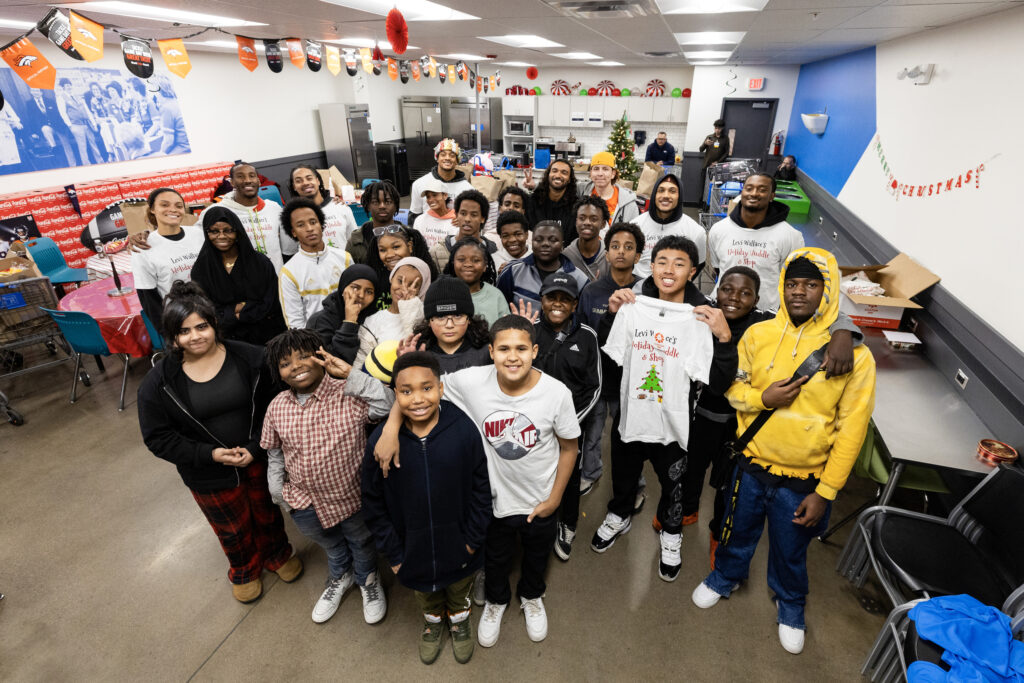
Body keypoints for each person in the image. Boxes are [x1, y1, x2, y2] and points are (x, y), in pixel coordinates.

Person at [692, 248, 876, 656]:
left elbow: (851, 431)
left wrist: (826, 492)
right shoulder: (759, 334)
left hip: (803, 480)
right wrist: (764, 397)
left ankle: (791, 605)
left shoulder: (853, 355)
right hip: (751, 464)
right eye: (792, 283)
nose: (799, 292)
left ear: (828, 291)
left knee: (791, 550)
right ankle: (724, 577)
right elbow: (734, 389)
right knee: (735, 532)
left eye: (812, 285)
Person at [375, 315, 581, 647]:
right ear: (490, 351)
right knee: (496, 558)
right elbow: (420, 387)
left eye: (521, 349)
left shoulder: (556, 394)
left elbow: (570, 448)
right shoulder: (471, 381)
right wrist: (390, 427)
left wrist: (555, 499)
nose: (512, 357)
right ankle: (497, 602)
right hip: (494, 501)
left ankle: (531, 596)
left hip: (540, 498)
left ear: (535, 351)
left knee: (536, 556)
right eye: (503, 349)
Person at [678, 266, 859, 567]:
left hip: (742, 424)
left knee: (726, 484)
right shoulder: (704, 315)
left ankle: (718, 533)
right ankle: (687, 508)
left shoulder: (765, 323)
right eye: (727, 289)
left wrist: (845, 330)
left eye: (745, 293)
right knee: (693, 467)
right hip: (702, 414)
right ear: (716, 291)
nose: (734, 298)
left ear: (758, 300)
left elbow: (821, 313)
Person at [137, 282, 301, 604]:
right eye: (184, 331)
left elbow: (277, 406)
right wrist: (210, 454)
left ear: (214, 325)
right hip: (207, 472)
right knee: (231, 527)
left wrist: (256, 447)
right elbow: (158, 438)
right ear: (172, 337)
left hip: (258, 458)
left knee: (267, 512)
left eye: (202, 326)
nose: (195, 336)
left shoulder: (253, 358)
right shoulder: (158, 384)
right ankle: (244, 569)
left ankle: (277, 554)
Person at [591, 235, 735, 583]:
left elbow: (717, 381)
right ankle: (619, 513)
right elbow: (610, 359)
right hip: (631, 414)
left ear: (693, 271)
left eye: (679, 263)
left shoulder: (700, 317)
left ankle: (672, 533)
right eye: (662, 262)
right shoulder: (633, 305)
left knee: (674, 484)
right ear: (651, 267)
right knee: (623, 474)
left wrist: (724, 339)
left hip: (674, 422)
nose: (669, 270)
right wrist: (613, 315)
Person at [362, 352, 492, 665]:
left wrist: (472, 540)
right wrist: (394, 554)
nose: (417, 399)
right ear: (396, 394)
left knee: (459, 590)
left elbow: (481, 489)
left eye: (426, 388)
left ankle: (460, 619)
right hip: (411, 552)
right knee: (427, 596)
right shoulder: (382, 442)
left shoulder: (462, 429)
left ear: (441, 388)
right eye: (406, 391)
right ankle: (433, 622)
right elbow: (372, 501)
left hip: (461, 547)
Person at [262, 330, 392, 625]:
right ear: (279, 373)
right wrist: (277, 491)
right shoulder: (277, 407)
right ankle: (341, 574)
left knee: (361, 541)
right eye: (285, 363)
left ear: (322, 356)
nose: (295, 366)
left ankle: (368, 579)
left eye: (303, 356)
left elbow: (388, 403)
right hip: (303, 501)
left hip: (351, 497)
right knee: (331, 544)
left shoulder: (349, 392)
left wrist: (351, 374)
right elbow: (274, 451)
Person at [523, 273, 601, 562]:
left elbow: (595, 388)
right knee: (533, 473)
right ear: (541, 300)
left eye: (565, 299)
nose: (557, 304)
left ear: (575, 303)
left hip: (571, 428)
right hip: (532, 426)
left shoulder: (587, 336)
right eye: (551, 297)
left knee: (569, 478)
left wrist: (570, 426)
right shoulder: (529, 331)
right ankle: (533, 520)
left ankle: (568, 524)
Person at [575, 222, 644, 494]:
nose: (621, 252)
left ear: (638, 256)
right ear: (606, 252)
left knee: (628, 437)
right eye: (615, 246)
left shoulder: (646, 292)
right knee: (592, 433)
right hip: (596, 377)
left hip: (629, 379)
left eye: (629, 248)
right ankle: (590, 472)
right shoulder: (592, 291)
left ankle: (635, 485)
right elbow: (581, 332)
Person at [190, 206, 285, 346]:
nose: (221, 236)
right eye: (214, 231)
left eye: (228, 230)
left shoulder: (260, 263)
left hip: (267, 336)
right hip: (227, 341)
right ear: (206, 233)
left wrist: (238, 313)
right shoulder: (201, 270)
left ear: (237, 231)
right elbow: (206, 310)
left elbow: (271, 303)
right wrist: (241, 309)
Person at [707, 173, 804, 311]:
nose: (754, 193)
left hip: (765, 314)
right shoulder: (719, 229)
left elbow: (791, 279)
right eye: (749, 188)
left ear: (772, 196)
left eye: (762, 190)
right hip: (724, 309)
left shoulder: (790, 236)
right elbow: (718, 269)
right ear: (742, 192)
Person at [131, 187, 205, 328]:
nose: (173, 209)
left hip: (210, 313)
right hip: (179, 320)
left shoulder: (198, 234)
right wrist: (168, 333)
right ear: (152, 209)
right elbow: (148, 298)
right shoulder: (142, 247)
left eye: (179, 206)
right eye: (164, 205)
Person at [198, 162, 291, 271]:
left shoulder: (273, 208)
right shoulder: (216, 211)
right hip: (239, 282)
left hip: (275, 278)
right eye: (240, 176)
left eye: (252, 176)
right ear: (232, 182)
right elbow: (200, 246)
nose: (247, 180)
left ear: (259, 181)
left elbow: (288, 249)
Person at [278, 198, 353, 329]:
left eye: (313, 222)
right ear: (293, 232)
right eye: (300, 225)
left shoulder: (344, 258)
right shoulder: (289, 272)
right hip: (315, 340)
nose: (309, 229)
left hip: (350, 331)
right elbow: (295, 322)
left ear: (321, 224)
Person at [496, 221, 588, 310]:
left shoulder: (580, 278)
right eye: (539, 240)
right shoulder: (512, 271)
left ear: (562, 245)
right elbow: (500, 310)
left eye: (553, 240)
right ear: (531, 243)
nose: (545, 244)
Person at [359, 257, 431, 369]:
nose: (404, 290)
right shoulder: (372, 321)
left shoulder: (427, 318)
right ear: (391, 278)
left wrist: (408, 308)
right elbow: (363, 362)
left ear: (422, 290)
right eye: (400, 281)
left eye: (413, 285)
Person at [634, 174, 707, 278]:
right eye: (661, 190)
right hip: (638, 289)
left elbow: (699, 264)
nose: (666, 196)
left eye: (672, 191)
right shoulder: (636, 225)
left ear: (680, 196)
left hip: (675, 290)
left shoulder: (695, 231)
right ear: (654, 194)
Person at [307, 265, 379, 364]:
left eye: (369, 292)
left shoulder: (375, 317)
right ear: (343, 288)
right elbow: (329, 364)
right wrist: (349, 322)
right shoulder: (320, 321)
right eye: (355, 288)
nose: (361, 295)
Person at [365, 224, 438, 312]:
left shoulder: (425, 275)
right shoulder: (374, 279)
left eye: (396, 247)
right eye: (383, 250)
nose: (390, 255)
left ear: (410, 246)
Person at [287, 164, 358, 251]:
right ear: (294, 186)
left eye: (309, 178)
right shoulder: (292, 216)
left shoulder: (340, 207)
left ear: (318, 181)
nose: (305, 183)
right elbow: (290, 252)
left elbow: (355, 242)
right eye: (299, 181)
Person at [429, 190, 498, 273]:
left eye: (474, 215)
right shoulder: (437, 252)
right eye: (463, 213)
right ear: (456, 215)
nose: (467, 219)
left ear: (482, 218)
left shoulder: (493, 251)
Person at [408, 139, 474, 226]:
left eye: (452, 155)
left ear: (457, 160)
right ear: (437, 158)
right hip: (427, 235)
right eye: (443, 155)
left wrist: (464, 220)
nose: (447, 158)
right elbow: (414, 216)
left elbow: (474, 219)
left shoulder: (468, 190)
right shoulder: (419, 184)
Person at [443, 238, 507, 327]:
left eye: (476, 260)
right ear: (453, 263)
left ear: (485, 266)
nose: (468, 264)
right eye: (461, 259)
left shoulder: (496, 295)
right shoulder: (442, 293)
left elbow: (504, 331)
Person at [523, 159, 579, 243]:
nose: (558, 175)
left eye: (564, 173)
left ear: (569, 179)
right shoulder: (532, 202)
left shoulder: (576, 206)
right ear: (548, 174)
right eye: (554, 171)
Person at [348, 180, 401, 264]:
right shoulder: (355, 241)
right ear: (368, 206)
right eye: (375, 202)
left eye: (388, 202)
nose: (382, 206)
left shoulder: (410, 236)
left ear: (396, 206)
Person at [581, 152, 639, 227]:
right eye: (596, 169)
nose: (600, 173)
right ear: (591, 173)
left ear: (613, 174)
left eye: (605, 169)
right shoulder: (582, 192)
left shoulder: (628, 204)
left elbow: (634, 232)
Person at [55, 78, 102, 165]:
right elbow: (63, 113)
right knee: (82, 147)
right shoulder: (61, 98)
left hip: (86, 123)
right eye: (66, 86)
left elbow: (86, 110)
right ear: (63, 87)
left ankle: (100, 161)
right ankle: (86, 164)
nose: (69, 87)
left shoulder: (77, 96)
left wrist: (93, 122)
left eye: (70, 85)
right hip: (76, 125)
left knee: (93, 144)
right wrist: (70, 125)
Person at [562, 196, 610, 282]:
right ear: (576, 221)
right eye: (582, 218)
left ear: (603, 224)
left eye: (593, 219)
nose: (587, 222)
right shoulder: (565, 256)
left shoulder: (610, 256)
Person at [413, 177, 456, 250]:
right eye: (428, 196)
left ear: (445, 195)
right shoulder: (420, 220)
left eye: (435, 195)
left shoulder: (456, 221)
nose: (430, 200)